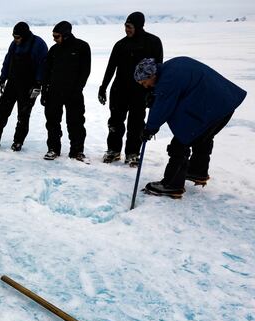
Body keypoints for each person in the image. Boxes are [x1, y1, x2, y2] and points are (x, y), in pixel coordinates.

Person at [135, 58, 247, 198]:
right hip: (224, 103)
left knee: (180, 143)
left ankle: (171, 185)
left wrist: (149, 129)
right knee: (202, 136)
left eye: (145, 83)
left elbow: (164, 107)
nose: (146, 87)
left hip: (213, 107)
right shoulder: (172, 66)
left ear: (151, 75)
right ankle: (197, 171)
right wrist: (157, 94)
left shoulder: (167, 80)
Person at [98, 12, 163, 166]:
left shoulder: (153, 42)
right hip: (119, 89)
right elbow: (111, 67)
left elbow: (158, 68)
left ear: (139, 26)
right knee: (115, 122)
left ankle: (132, 153)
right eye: (125, 26)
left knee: (136, 124)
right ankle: (113, 151)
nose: (126, 30)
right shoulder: (120, 44)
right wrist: (103, 87)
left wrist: (154, 92)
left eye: (129, 26)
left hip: (140, 91)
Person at [0, 22, 48, 151]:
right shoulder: (14, 44)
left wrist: (38, 84)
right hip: (12, 83)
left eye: (17, 37)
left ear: (25, 36)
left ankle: (18, 142)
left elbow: (43, 66)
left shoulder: (39, 45)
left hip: (29, 86)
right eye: (13, 37)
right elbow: (7, 61)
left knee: (23, 115)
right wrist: (2, 79)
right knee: (1, 112)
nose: (15, 40)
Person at [41, 21, 91, 161]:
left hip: (73, 93)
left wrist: (78, 89)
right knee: (52, 122)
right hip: (54, 92)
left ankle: (77, 151)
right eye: (53, 36)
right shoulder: (54, 50)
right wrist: (44, 92)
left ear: (66, 35)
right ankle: (53, 149)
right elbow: (47, 72)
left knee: (76, 122)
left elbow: (85, 71)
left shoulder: (82, 47)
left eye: (57, 36)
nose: (54, 39)